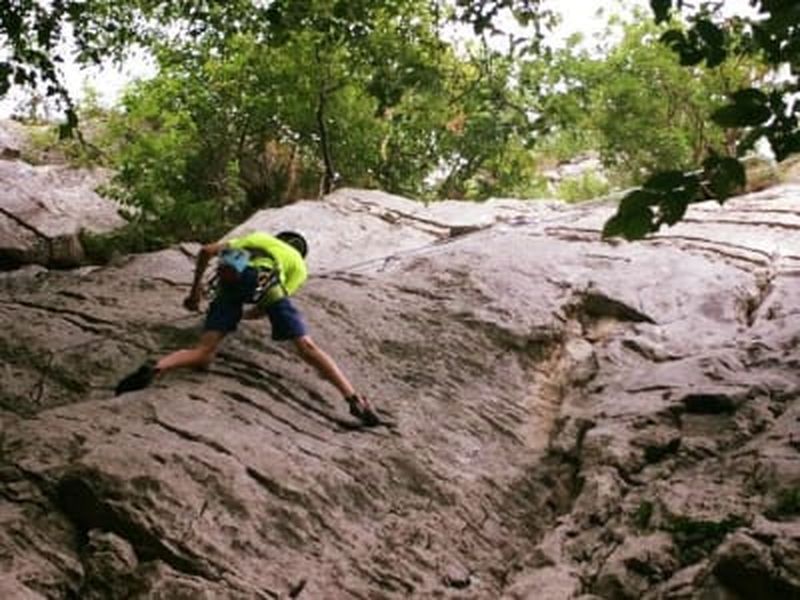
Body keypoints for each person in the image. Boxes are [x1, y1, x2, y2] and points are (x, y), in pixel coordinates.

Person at [115, 230, 380, 426]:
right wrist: (249, 313)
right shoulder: (298, 264)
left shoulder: (261, 237)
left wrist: (195, 292)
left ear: (281, 237)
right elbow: (264, 307)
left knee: (204, 351)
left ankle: (158, 367)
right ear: (299, 251)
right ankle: (354, 399)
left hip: (234, 273)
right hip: (267, 280)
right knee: (307, 347)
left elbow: (207, 251)